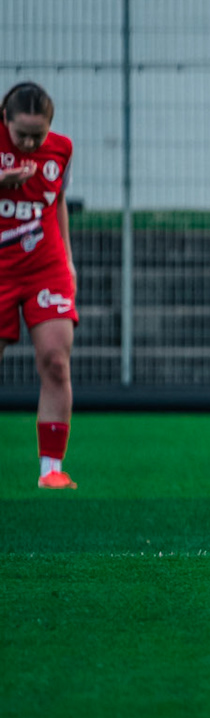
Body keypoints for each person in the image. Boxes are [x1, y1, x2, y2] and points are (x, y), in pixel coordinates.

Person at [0, 82, 78, 488]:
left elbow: (57, 199)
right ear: (5, 121)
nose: (30, 143)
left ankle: (51, 470)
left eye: (38, 134)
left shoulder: (61, 149)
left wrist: (67, 258)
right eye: (21, 134)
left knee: (55, 360)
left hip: (44, 266)